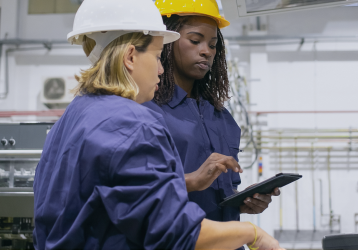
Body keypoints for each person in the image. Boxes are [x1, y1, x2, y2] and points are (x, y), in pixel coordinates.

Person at [33, 0, 284, 249]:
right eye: (156, 56)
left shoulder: (74, 114)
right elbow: (173, 231)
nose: (162, 68)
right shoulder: (132, 122)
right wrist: (252, 233)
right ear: (130, 56)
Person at [144, 0, 281, 227]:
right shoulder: (146, 111)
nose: (206, 51)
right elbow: (133, 187)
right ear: (165, 42)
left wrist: (243, 200)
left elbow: (225, 190)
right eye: (195, 41)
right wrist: (192, 181)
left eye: (213, 44)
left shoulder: (222, 117)